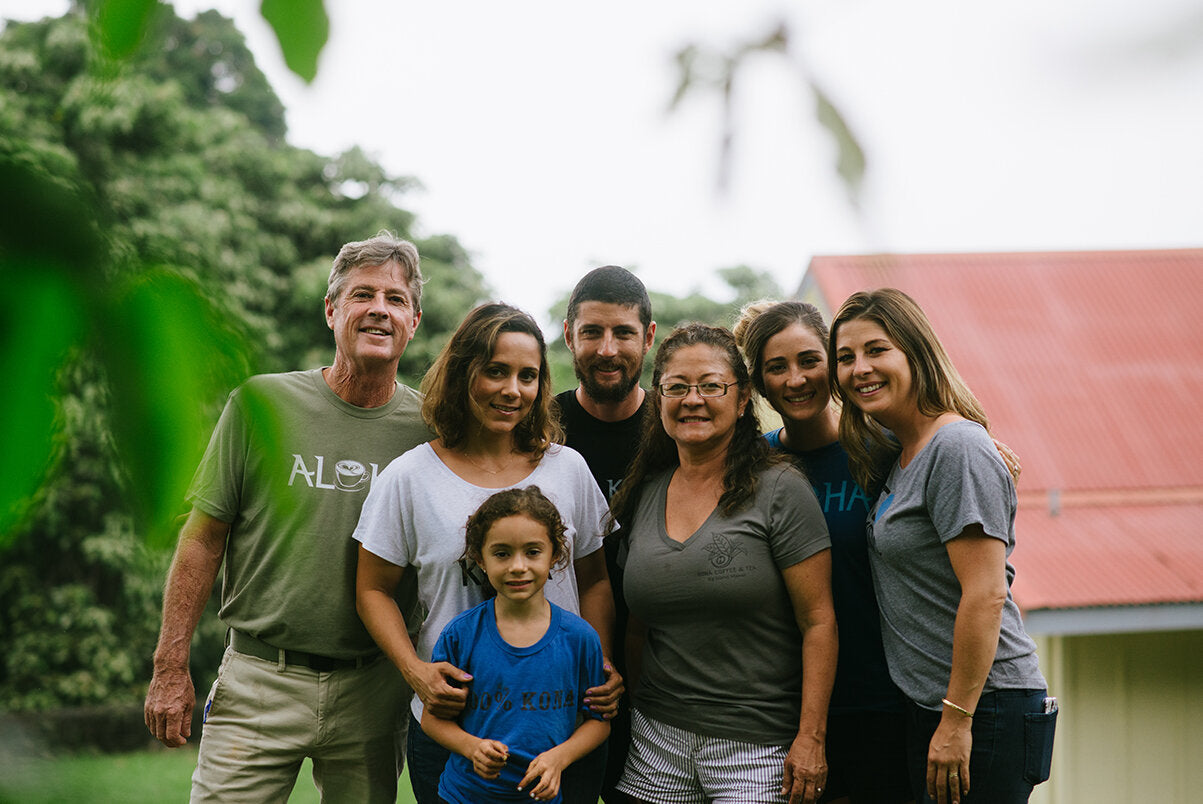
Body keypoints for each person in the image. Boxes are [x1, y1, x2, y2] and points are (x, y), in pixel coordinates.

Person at [143, 232, 430, 803]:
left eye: (395, 299)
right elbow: (203, 539)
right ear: (331, 310)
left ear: (414, 321)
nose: (379, 309)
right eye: (361, 294)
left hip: (374, 688)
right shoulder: (260, 405)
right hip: (258, 678)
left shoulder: (431, 429)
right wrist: (169, 665)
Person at [353, 302, 622, 804]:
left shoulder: (568, 470)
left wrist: (601, 663)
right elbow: (372, 589)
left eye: (528, 376)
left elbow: (595, 580)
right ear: (462, 373)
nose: (512, 390)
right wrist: (416, 671)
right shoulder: (410, 478)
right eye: (495, 372)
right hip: (453, 731)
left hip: (561, 734)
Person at [829, 288, 1055, 804]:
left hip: (984, 705)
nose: (859, 368)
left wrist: (957, 721)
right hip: (937, 705)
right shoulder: (905, 450)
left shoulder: (956, 446)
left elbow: (986, 592)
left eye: (876, 349)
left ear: (917, 353)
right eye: (845, 357)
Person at [610, 322, 838, 804]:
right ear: (659, 398)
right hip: (656, 742)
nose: (693, 399)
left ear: (741, 399)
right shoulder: (647, 491)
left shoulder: (780, 489)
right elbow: (638, 627)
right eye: (676, 387)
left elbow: (819, 622)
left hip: (756, 750)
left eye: (712, 385)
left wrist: (811, 738)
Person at [734, 300, 912, 804]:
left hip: (885, 700)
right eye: (776, 367)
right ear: (759, 383)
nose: (795, 380)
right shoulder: (754, 467)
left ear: (834, 365)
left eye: (810, 360)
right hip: (784, 712)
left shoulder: (889, 449)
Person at [422, 486, 611, 804]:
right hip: (463, 796)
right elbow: (433, 719)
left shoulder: (580, 638)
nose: (518, 566)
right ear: (480, 559)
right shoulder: (461, 635)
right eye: (502, 553)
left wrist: (558, 759)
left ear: (556, 554)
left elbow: (599, 723)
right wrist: (472, 748)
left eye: (533, 552)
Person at [556, 265, 654, 801]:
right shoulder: (538, 426)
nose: (607, 349)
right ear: (569, 334)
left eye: (623, 332)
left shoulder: (680, 424)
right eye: (592, 332)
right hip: (556, 670)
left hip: (661, 671)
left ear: (649, 336)